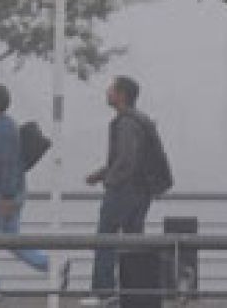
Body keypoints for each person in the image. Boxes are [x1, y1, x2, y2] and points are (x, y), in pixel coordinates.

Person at [0, 83, 68, 297]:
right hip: (11, 191)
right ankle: (54, 266)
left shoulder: (2, 128)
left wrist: (6, 197)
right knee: (11, 239)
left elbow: (7, 163)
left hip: (2, 192)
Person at [81, 75, 168, 306]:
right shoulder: (139, 120)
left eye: (111, 89)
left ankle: (103, 291)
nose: (107, 92)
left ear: (121, 94)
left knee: (105, 237)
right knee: (133, 241)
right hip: (142, 190)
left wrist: (109, 180)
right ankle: (134, 290)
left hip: (124, 190)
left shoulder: (126, 122)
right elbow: (127, 158)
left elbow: (126, 160)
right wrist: (100, 174)